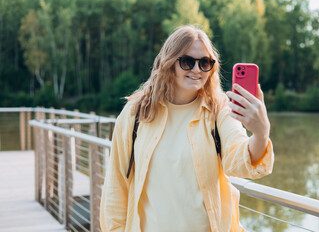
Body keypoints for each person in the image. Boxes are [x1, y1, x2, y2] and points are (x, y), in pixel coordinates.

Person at [100, 25, 274, 232]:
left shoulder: (220, 111)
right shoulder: (135, 113)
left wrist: (261, 133)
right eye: (187, 61)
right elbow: (115, 187)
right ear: (169, 63)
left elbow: (240, 162)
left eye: (205, 63)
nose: (197, 69)